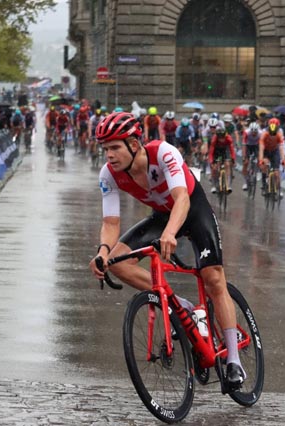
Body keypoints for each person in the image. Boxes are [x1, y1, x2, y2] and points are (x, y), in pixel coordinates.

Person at [89, 111, 247, 387]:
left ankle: (234, 360)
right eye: (105, 149)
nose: (109, 155)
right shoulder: (109, 174)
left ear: (134, 144)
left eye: (114, 147)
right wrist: (102, 251)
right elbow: (110, 222)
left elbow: (182, 198)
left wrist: (171, 233)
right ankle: (182, 306)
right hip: (161, 216)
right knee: (117, 261)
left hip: (192, 209)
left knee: (213, 278)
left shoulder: (163, 152)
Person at [259, 117, 285, 195]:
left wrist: (283, 159)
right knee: (265, 165)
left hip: (275, 151)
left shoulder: (280, 132)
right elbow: (261, 147)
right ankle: (264, 184)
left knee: (276, 173)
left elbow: (281, 146)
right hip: (266, 150)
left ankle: (278, 189)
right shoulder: (264, 132)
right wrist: (261, 160)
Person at [208, 127, 236, 193]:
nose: (221, 139)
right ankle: (214, 185)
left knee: (227, 164)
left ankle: (228, 185)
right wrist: (212, 162)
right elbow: (211, 152)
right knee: (214, 168)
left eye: (222, 137)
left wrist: (233, 159)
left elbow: (232, 150)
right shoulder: (214, 139)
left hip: (225, 150)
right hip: (216, 151)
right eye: (219, 138)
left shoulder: (228, 138)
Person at [241, 122, 260, 191]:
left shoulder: (260, 133)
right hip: (248, 146)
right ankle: (246, 182)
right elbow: (243, 145)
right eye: (252, 132)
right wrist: (243, 156)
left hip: (256, 146)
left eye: (255, 132)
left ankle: (257, 172)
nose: (254, 134)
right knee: (245, 163)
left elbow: (262, 145)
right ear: (250, 130)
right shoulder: (246, 132)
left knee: (259, 159)